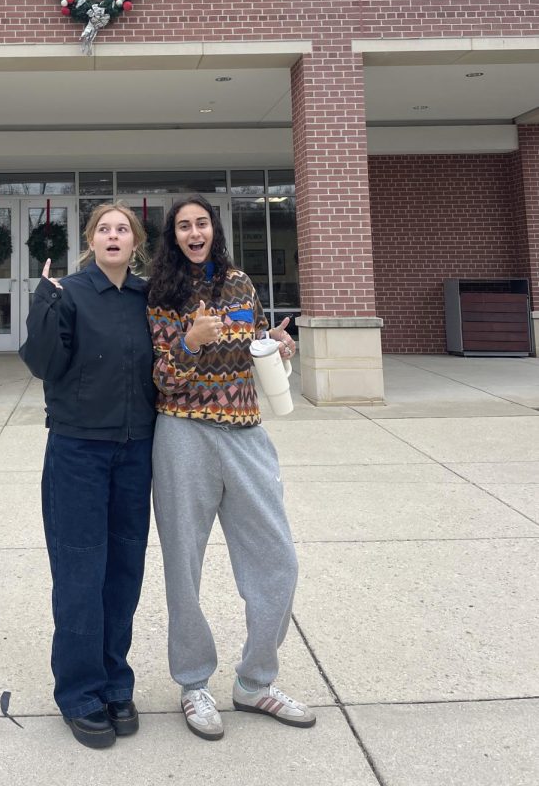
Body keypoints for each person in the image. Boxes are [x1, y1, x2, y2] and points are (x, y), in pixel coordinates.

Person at [146, 194, 314, 741]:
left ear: (214, 230)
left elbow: (252, 344)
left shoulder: (241, 283)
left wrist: (277, 346)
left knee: (277, 560)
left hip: (245, 432)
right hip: (182, 433)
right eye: (183, 227)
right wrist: (190, 343)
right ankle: (194, 684)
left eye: (201, 224)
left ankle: (254, 682)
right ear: (173, 237)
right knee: (183, 566)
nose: (194, 233)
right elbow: (163, 377)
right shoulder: (162, 292)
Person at [19, 203, 156, 750]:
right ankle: (79, 692)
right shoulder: (69, 292)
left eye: (123, 229)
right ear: (91, 241)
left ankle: (115, 681)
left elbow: (182, 354)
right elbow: (43, 365)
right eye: (104, 229)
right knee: (80, 574)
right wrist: (44, 305)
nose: (114, 235)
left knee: (123, 572)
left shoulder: (149, 297)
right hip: (78, 452)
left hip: (136, 450)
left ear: (136, 241)